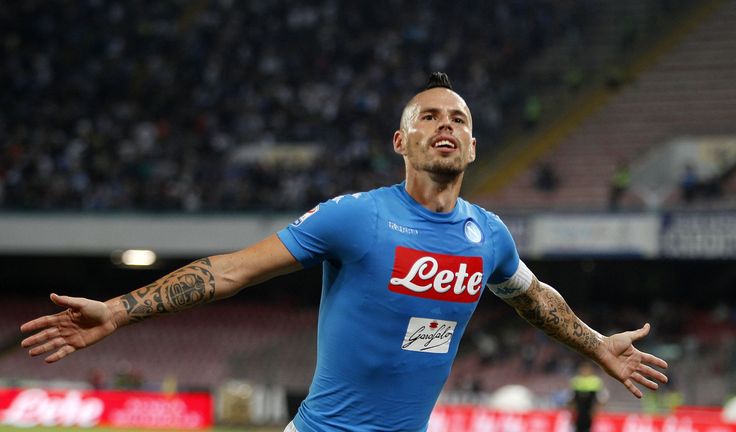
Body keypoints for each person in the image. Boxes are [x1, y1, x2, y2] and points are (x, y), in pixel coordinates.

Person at [20, 73, 668, 432]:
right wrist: (119, 310)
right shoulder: (359, 216)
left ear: (472, 147)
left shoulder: (489, 235)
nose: (447, 124)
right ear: (400, 141)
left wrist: (595, 344)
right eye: (430, 117)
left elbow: (532, 299)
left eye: (460, 119)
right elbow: (232, 271)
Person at [570, 361, 609, 432]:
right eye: (583, 369)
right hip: (579, 411)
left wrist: (597, 408)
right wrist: (572, 408)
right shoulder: (576, 380)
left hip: (589, 410)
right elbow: (572, 397)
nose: (584, 371)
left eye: (586, 369)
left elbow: (602, 397)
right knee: (577, 426)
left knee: (588, 427)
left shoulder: (595, 381)